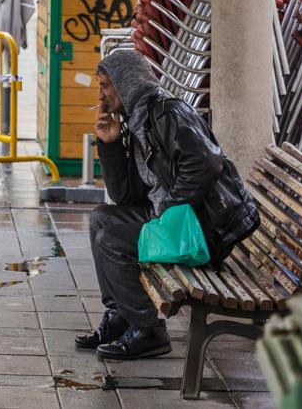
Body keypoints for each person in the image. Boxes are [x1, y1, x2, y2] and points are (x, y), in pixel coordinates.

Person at [74, 50, 260, 360]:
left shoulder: (166, 114)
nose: (101, 95)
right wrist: (109, 145)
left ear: (126, 84)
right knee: (101, 219)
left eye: (105, 86)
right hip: (178, 218)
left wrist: (167, 211)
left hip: (203, 231)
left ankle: (148, 331)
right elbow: (124, 196)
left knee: (112, 242)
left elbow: (206, 165)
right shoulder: (137, 121)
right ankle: (120, 314)